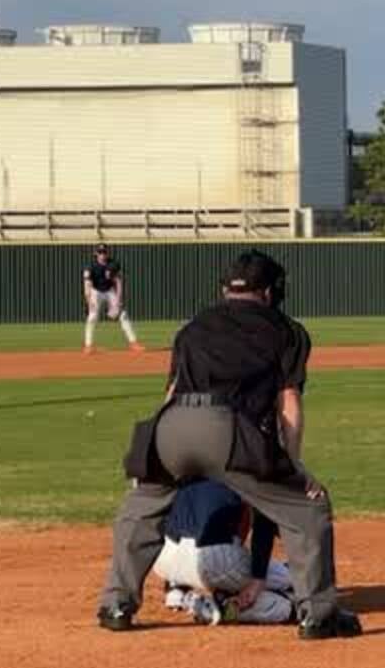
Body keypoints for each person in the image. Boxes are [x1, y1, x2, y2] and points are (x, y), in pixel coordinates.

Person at [95, 249, 360, 639]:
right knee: (309, 508)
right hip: (227, 431)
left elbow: (170, 393)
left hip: (173, 424)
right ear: (270, 292)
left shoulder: (193, 328)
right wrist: (291, 465)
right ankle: (319, 614)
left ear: (225, 290)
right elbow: (288, 402)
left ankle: (116, 603)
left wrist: (154, 454)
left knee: (141, 507)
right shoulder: (286, 330)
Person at [153, 478, 297, 626]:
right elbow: (263, 526)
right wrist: (258, 579)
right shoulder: (245, 466)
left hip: (163, 557)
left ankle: (176, 589)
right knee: (291, 588)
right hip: (215, 559)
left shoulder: (191, 462)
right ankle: (220, 608)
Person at [82, 243, 145, 355]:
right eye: (100, 252)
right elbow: (87, 285)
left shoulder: (113, 264)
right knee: (92, 317)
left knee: (123, 315)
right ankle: (88, 346)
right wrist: (89, 301)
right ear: (96, 253)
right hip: (96, 291)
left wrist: (119, 300)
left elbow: (118, 282)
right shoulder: (90, 266)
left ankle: (133, 343)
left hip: (110, 291)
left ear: (107, 253)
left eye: (104, 252)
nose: (102, 254)